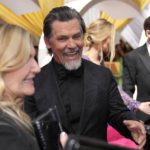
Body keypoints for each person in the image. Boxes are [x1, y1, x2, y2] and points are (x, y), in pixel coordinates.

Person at [24, 6, 146, 149]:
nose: (72, 45)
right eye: (62, 38)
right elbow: (28, 134)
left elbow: (118, 113)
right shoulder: (34, 82)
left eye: (76, 36)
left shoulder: (102, 76)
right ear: (48, 42)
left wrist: (132, 123)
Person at [0, 23, 67, 150]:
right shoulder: (5, 133)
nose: (36, 68)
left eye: (34, 57)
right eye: (27, 58)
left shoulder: (12, 120)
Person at [123, 16, 150, 150]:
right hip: (146, 123)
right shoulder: (133, 57)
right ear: (148, 33)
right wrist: (133, 117)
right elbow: (127, 91)